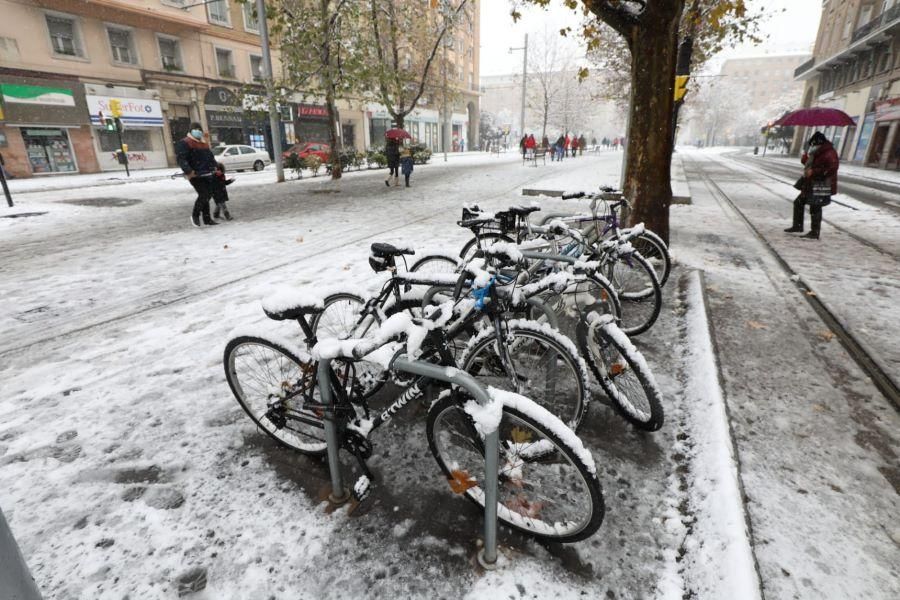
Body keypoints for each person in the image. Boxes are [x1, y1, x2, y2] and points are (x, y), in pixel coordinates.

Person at [785, 131, 839, 240]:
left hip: (822, 183)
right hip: (811, 182)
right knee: (799, 202)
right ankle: (798, 226)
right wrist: (805, 157)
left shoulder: (829, 152)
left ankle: (815, 232)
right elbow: (808, 164)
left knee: (815, 207)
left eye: (813, 144)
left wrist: (814, 172)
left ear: (819, 143)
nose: (812, 146)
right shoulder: (817, 152)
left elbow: (832, 168)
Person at [175, 122, 219, 227]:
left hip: (206, 173)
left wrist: (215, 167)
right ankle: (195, 215)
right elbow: (181, 159)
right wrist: (189, 171)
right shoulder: (185, 142)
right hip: (195, 174)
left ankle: (207, 219)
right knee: (204, 194)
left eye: (200, 130)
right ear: (191, 131)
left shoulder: (204, 143)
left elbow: (210, 157)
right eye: (196, 129)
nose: (198, 131)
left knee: (207, 195)